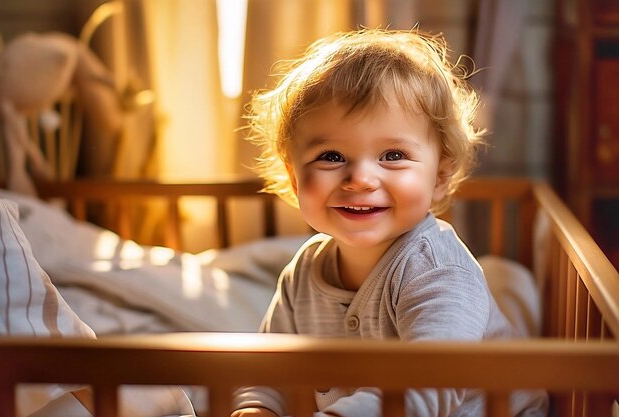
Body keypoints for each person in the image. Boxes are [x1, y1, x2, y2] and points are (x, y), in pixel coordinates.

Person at [231, 28, 547, 417]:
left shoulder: (436, 270)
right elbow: (269, 368)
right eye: (331, 156)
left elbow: (427, 385)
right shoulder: (305, 270)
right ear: (295, 179)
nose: (361, 178)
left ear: (440, 177)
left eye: (393, 154)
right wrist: (256, 409)